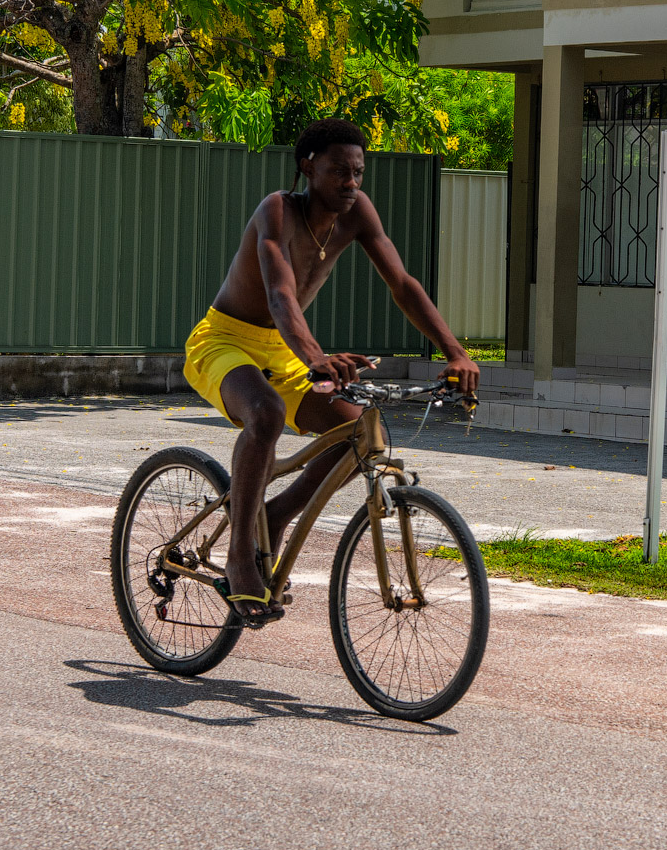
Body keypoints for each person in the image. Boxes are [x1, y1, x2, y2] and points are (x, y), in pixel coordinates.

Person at [181, 118, 479, 625]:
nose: (351, 183)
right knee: (266, 413)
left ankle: (273, 517)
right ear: (308, 166)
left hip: (284, 346)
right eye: (340, 171)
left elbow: (402, 283)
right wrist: (315, 356)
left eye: (359, 172)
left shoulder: (357, 213)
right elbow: (279, 294)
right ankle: (237, 556)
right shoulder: (277, 210)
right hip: (224, 339)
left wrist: (455, 351)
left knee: (363, 433)